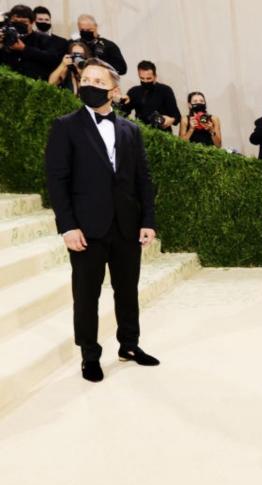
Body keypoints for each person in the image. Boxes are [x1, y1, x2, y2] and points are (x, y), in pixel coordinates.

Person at [44, 58, 160, 383]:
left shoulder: (130, 130)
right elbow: (57, 179)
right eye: (87, 79)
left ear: (114, 90)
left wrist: (147, 220)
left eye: (98, 81)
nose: (91, 85)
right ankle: (89, 355)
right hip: (86, 228)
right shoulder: (65, 126)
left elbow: (143, 179)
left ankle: (129, 345)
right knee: (86, 295)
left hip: (126, 226)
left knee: (127, 291)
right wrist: (67, 226)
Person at [0, 4, 60, 80]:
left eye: (23, 22)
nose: (19, 25)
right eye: (15, 22)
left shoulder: (44, 39)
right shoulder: (6, 38)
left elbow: (53, 58)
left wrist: (24, 49)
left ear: (32, 23)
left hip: (36, 86)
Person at [119, 60, 180, 133]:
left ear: (155, 76)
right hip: (142, 134)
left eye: (149, 78)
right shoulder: (134, 91)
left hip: (162, 134)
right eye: (142, 78)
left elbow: (177, 116)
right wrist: (123, 102)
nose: (145, 81)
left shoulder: (165, 90)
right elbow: (122, 114)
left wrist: (171, 120)